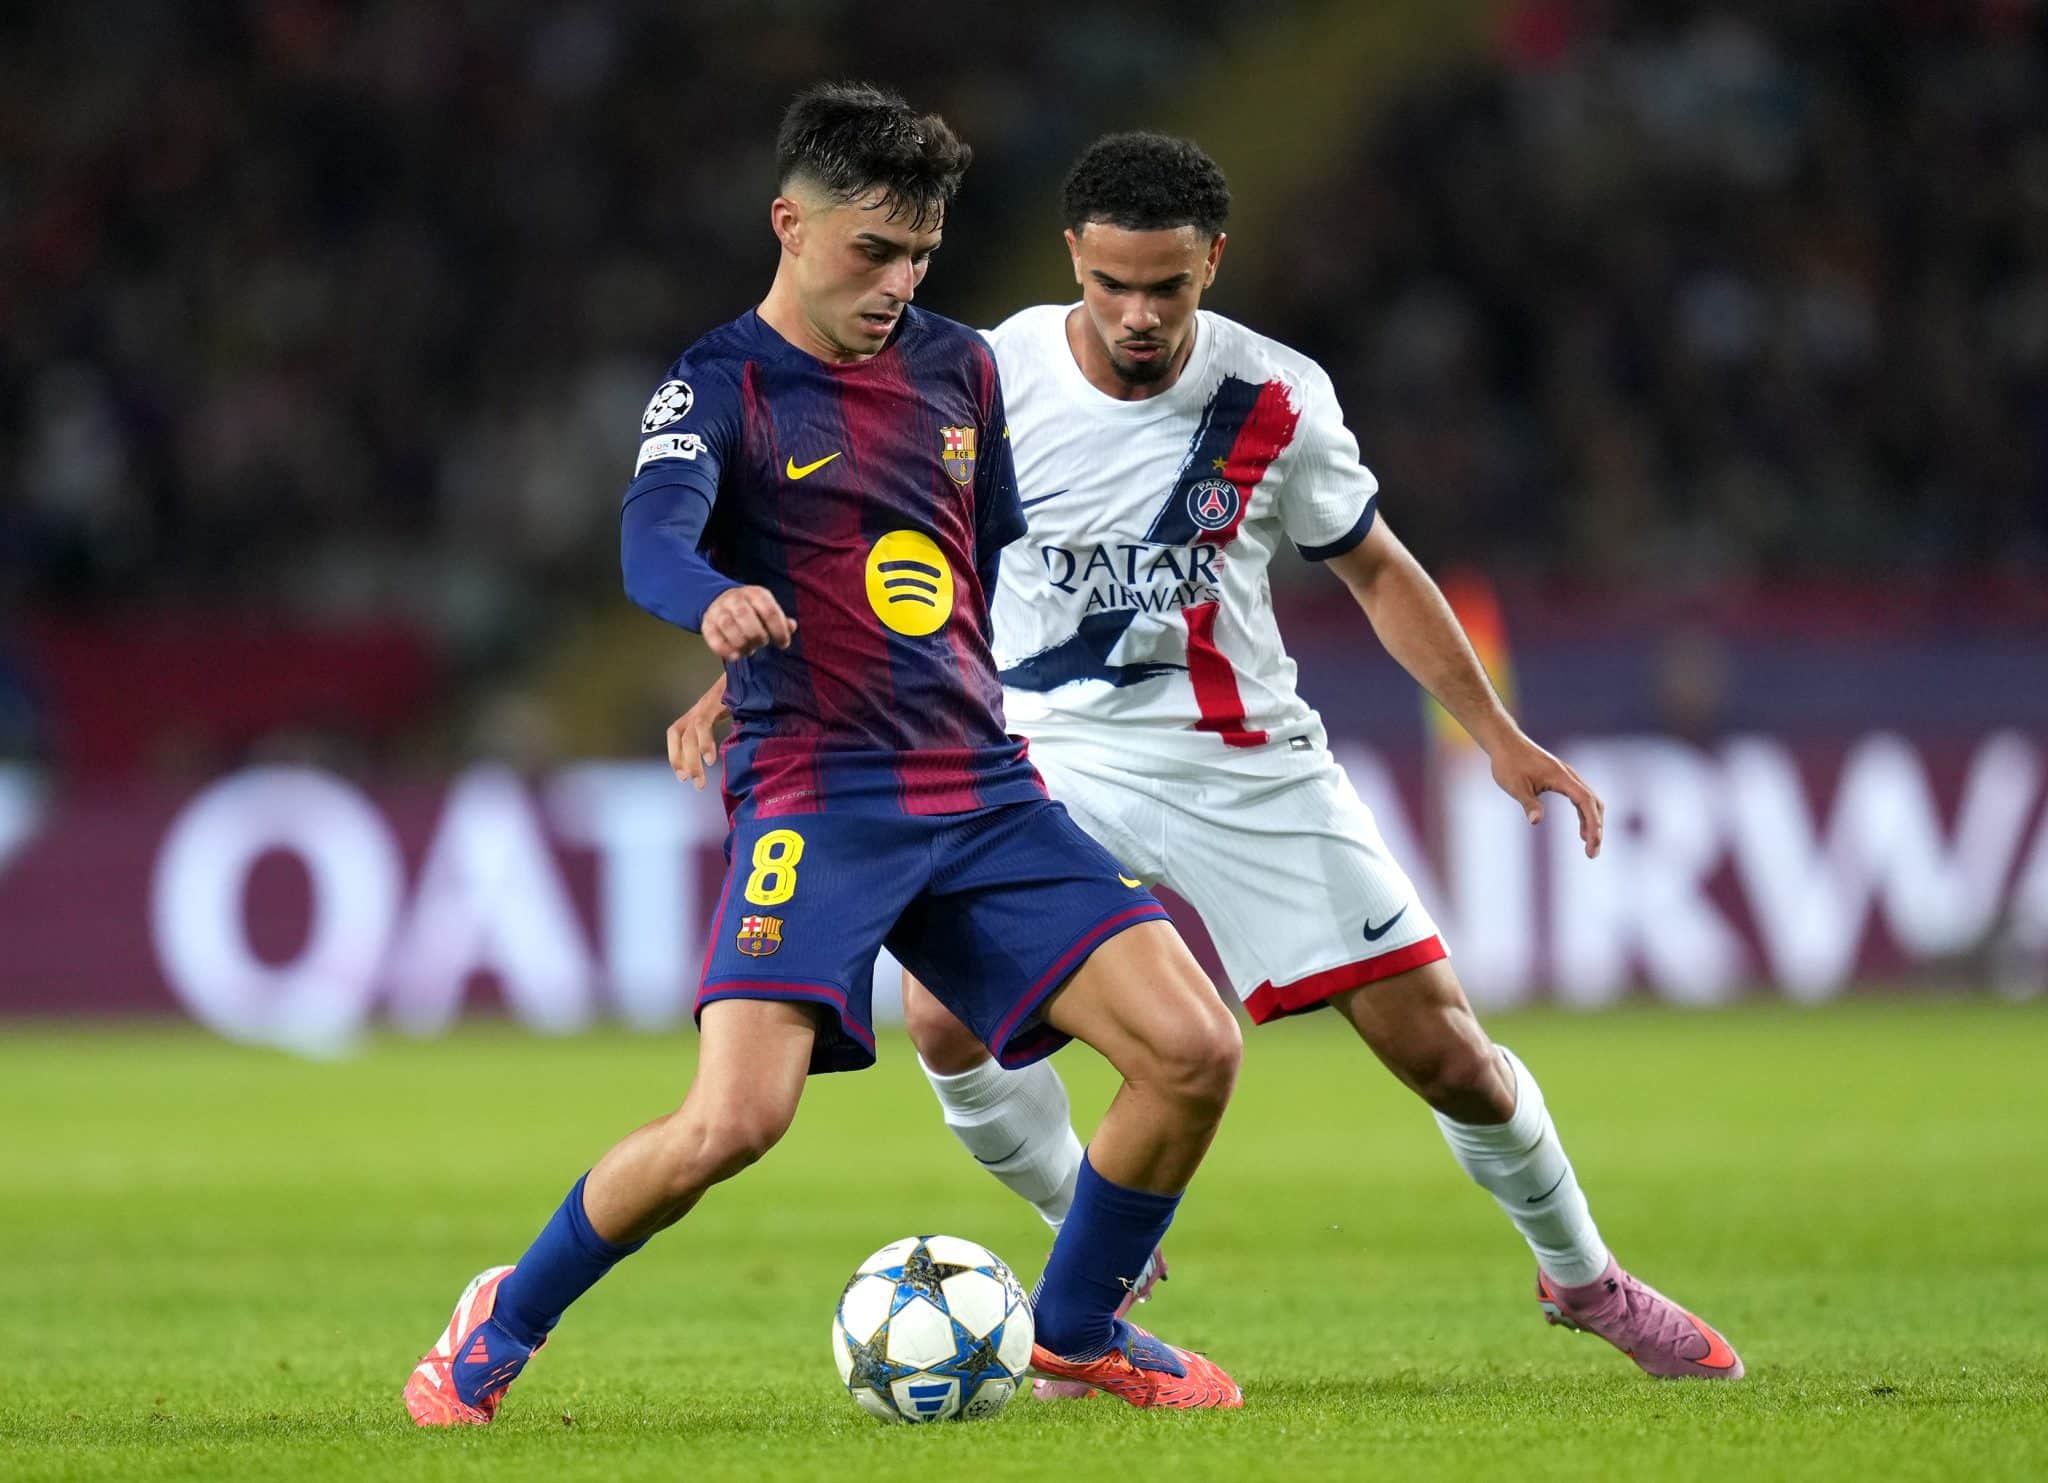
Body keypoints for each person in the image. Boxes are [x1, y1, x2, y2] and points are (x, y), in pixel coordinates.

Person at [669, 132, 1744, 1387]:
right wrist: (733, 675)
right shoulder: (984, 374)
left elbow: (1376, 568)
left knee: (1444, 1052)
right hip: (1038, 743)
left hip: (1244, 760)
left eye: (1166, 287)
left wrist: (1495, 735)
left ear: (1212, 264)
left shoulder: (1277, 398)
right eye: (1110, 283)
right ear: (1072, 257)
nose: (1136, 313)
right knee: (944, 1017)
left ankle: (1582, 1276)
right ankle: (1090, 1237)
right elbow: (871, 555)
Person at [403, 90, 1247, 1428]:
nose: (898, 283)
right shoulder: (716, 383)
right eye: (873, 251)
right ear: (790, 226)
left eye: (920, 255)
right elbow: (653, 541)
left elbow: (951, 570)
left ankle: (1079, 1329)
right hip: (820, 793)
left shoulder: (959, 368)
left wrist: (753, 670)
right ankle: (500, 1316)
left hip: (977, 785)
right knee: (733, 1121)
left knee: (1195, 1048)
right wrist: (714, 613)